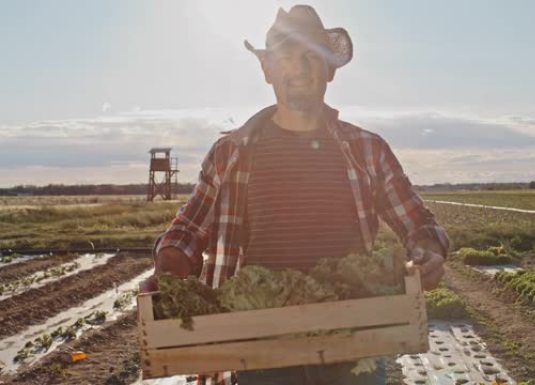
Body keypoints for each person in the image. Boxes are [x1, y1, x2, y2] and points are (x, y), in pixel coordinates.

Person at [146, 5, 449, 385]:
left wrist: (429, 252)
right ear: (267, 69)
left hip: (351, 344)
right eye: (287, 56)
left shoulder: (367, 150)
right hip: (259, 348)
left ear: (329, 70)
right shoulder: (231, 153)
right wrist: (169, 266)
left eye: (311, 56)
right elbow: (189, 229)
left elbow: (419, 223)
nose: (300, 68)